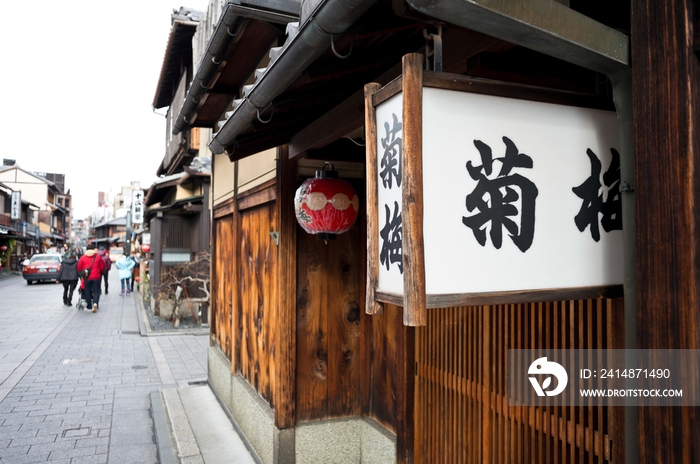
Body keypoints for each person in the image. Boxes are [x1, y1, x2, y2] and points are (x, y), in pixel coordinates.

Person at [77, 244, 105, 313]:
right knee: (96, 291)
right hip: (96, 277)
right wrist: (99, 272)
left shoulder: (83, 257)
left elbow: (79, 268)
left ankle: (89, 306)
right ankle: (95, 303)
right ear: (93, 249)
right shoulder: (98, 257)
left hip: (87, 277)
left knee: (87, 291)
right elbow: (102, 267)